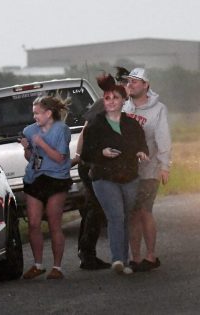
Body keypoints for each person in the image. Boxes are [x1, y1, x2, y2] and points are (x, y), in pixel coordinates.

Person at [81, 73, 149, 275]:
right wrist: (101, 153)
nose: (110, 102)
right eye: (107, 98)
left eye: (115, 98)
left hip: (129, 176)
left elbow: (142, 144)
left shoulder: (132, 124)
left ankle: (125, 260)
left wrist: (141, 152)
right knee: (115, 216)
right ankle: (118, 259)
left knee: (127, 217)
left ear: (123, 101)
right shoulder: (95, 124)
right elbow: (86, 154)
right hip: (104, 177)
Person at [73, 66, 130, 270]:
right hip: (93, 163)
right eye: (124, 83)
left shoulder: (121, 104)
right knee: (96, 208)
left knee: (93, 208)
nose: (127, 87)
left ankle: (86, 252)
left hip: (103, 163)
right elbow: (85, 132)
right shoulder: (105, 103)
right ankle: (87, 254)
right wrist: (80, 158)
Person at [123, 68, 172, 272]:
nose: (131, 84)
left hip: (150, 169)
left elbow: (163, 137)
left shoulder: (158, 109)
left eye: (136, 81)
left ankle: (151, 256)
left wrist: (164, 165)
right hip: (127, 171)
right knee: (132, 214)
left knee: (145, 211)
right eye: (129, 81)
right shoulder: (124, 106)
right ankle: (135, 258)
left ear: (146, 85)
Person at [20, 95, 73, 280]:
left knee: (53, 222)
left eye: (37, 113)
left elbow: (60, 158)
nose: (34, 117)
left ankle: (57, 267)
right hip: (35, 178)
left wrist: (42, 143)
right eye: (33, 113)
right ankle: (37, 264)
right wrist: (27, 148)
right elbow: (31, 158)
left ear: (49, 113)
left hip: (56, 178)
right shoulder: (29, 130)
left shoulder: (62, 130)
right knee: (34, 223)